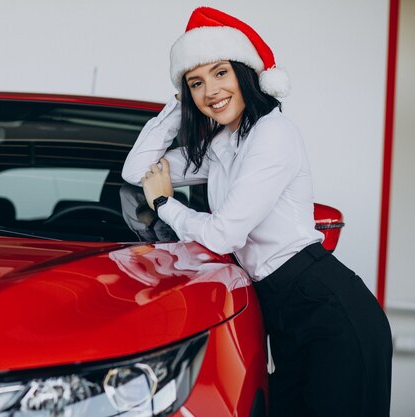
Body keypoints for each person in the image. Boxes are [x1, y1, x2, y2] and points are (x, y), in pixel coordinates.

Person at [121, 7, 392, 417]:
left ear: (246, 73)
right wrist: (177, 104)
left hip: (325, 306)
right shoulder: (221, 147)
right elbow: (136, 169)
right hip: (281, 309)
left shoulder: (274, 133)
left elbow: (223, 235)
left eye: (220, 73)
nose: (211, 90)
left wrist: (164, 204)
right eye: (197, 82)